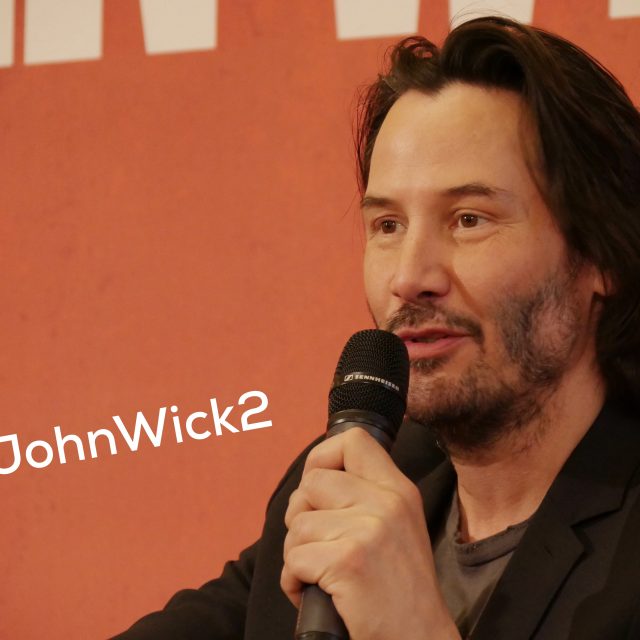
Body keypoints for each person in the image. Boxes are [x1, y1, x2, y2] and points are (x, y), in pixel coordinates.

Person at [112, 16, 640, 639]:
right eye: (388, 226)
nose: (409, 277)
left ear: (602, 255)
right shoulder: (354, 482)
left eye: (469, 219)